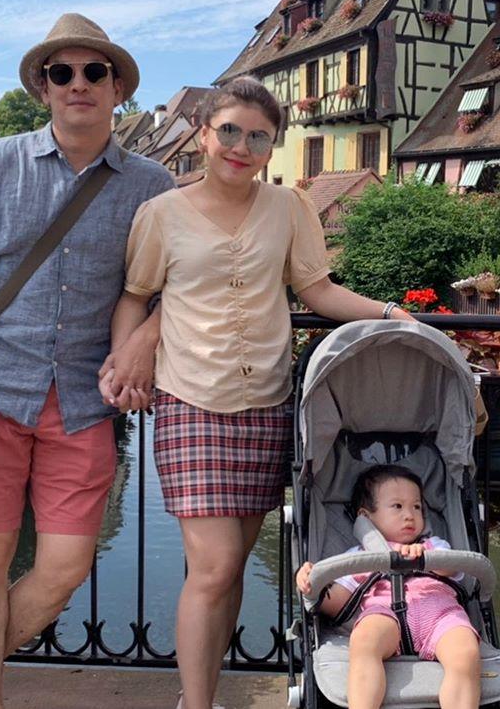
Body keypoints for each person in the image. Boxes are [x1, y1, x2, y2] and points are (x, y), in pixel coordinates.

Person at [99, 76, 414, 709]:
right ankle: (195, 705)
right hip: (190, 400)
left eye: (259, 137)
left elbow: (316, 290)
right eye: (229, 131)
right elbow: (135, 297)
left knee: (231, 567)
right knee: (214, 566)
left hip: (267, 404)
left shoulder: (289, 208)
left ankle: (202, 693)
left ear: (273, 146)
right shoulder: (162, 215)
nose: (241, 147)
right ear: (204, 134)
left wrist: (389, 313)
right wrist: (126, 362)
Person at [0, 13, 174, 709]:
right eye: (62, 72)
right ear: (44, 88)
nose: (78, 83)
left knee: (64, 568)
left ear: (117, 87)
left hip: (84, 402)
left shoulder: (152, 184)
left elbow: (178, 284)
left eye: (95, 71)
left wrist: (145, 340)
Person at [296, 464, 481, 709]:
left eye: (417, 507)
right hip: (384, 614)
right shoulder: (361, 556)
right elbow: (337, 603)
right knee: (364, 640)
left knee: (465, 651)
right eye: (398, 506)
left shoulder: (433, 545)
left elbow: (454, 568)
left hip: (439, 613)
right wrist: (312, 582)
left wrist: (427, 558)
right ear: (366, 516)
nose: (410, 515)